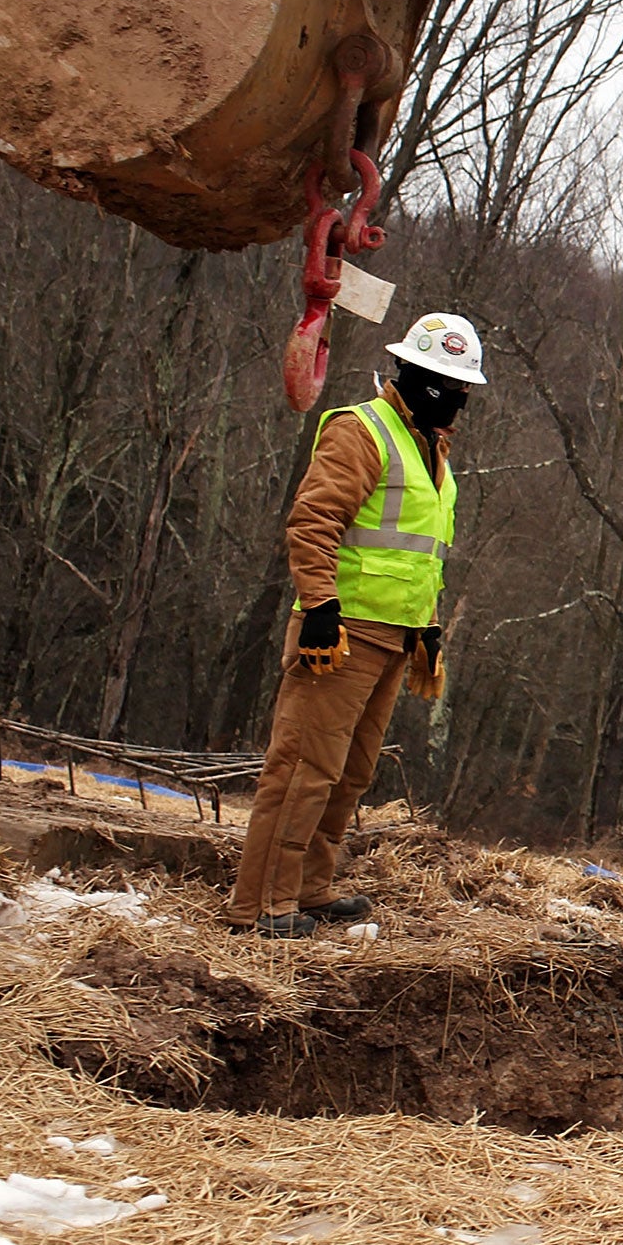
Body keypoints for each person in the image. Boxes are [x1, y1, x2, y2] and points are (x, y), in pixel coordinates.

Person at [224, 312, 484, 937]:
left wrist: (426, 627)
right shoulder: (361, 431)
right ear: (420, 378)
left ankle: (309, 888)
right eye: (452, 386)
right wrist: (318, 605)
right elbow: (313, 523)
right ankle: (262, 904)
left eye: (464, 388)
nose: (460, 400)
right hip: (340, 635)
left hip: (393, 638)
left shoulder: (433, 451)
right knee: (301, 772)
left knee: (349, 775)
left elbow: (420, 553)